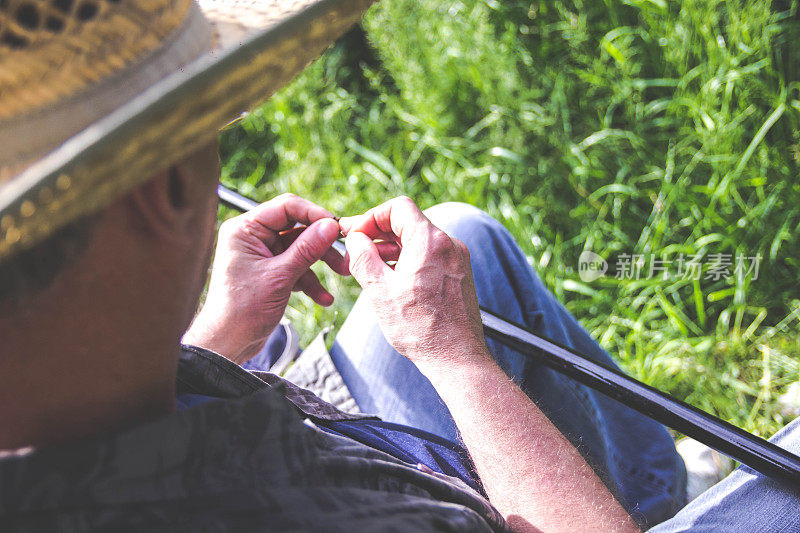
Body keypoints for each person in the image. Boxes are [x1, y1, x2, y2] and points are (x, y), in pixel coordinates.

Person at [0, 1, 797, 531]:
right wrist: (454, 358)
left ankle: (660, 495)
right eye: (211, 124)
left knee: (462, 232)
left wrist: (216, 341)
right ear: (166, 189)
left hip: (349, 444)